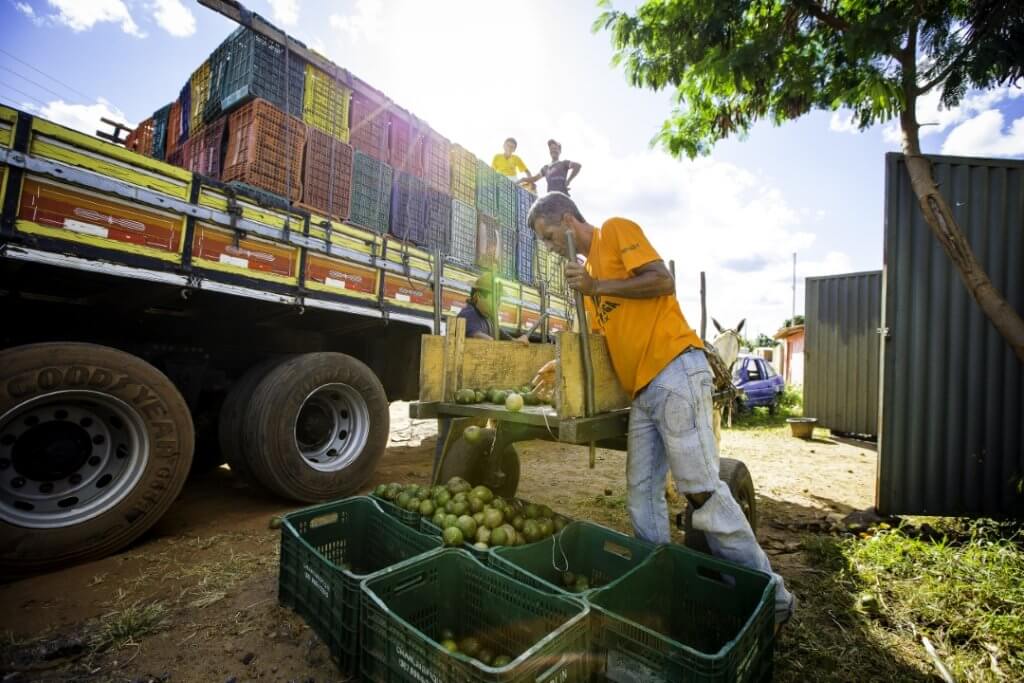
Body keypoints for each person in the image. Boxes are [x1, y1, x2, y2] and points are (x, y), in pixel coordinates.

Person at [527, 192, 796, 630]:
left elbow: (660, 280)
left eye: (550, 235)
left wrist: (598, 287)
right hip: (644, 394)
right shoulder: (587, 278)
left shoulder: (614, 231)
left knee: (702, 491)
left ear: (569, 220)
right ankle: (660, 587)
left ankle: (772, 597)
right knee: (641, 491)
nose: (550, 246)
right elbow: (597, 343)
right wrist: (562, 363)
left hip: (674, 370)